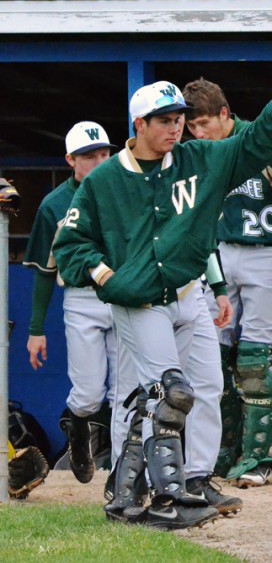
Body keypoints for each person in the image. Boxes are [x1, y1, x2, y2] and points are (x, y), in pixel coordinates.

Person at [53, 71, 272, 530]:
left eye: (179, 118)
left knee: (207, 387)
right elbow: (70, 243)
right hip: (139, 301)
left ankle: (192, 479)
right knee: (159, 395)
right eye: (165, 119)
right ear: (139, 124)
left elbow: (254, 147)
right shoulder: (106, 179)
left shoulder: (197, 159)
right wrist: (107, 275)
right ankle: (149, 492)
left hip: (189, 292)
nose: (176, 127)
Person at [182, 77, 272, 488]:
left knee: (255, 360)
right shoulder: (199, 154)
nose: (198, 133)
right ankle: (223, 450)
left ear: (225, 114)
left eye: (204, 122)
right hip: (221, 251)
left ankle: (258, 456)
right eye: (191, 126)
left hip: (266, 252)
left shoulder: (255, 142)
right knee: (211, 357)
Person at [22, 121, 138, 486]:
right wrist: (36, 330)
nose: (100, 161)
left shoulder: (127, 189)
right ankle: (79, 430)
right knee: (88, 395)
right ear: (71, 159)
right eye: (90, 156)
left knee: (127, 393)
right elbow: (44, 270)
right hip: (81, 297)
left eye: (105, 153)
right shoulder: (55, 204)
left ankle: (122, 478)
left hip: (122, 296)